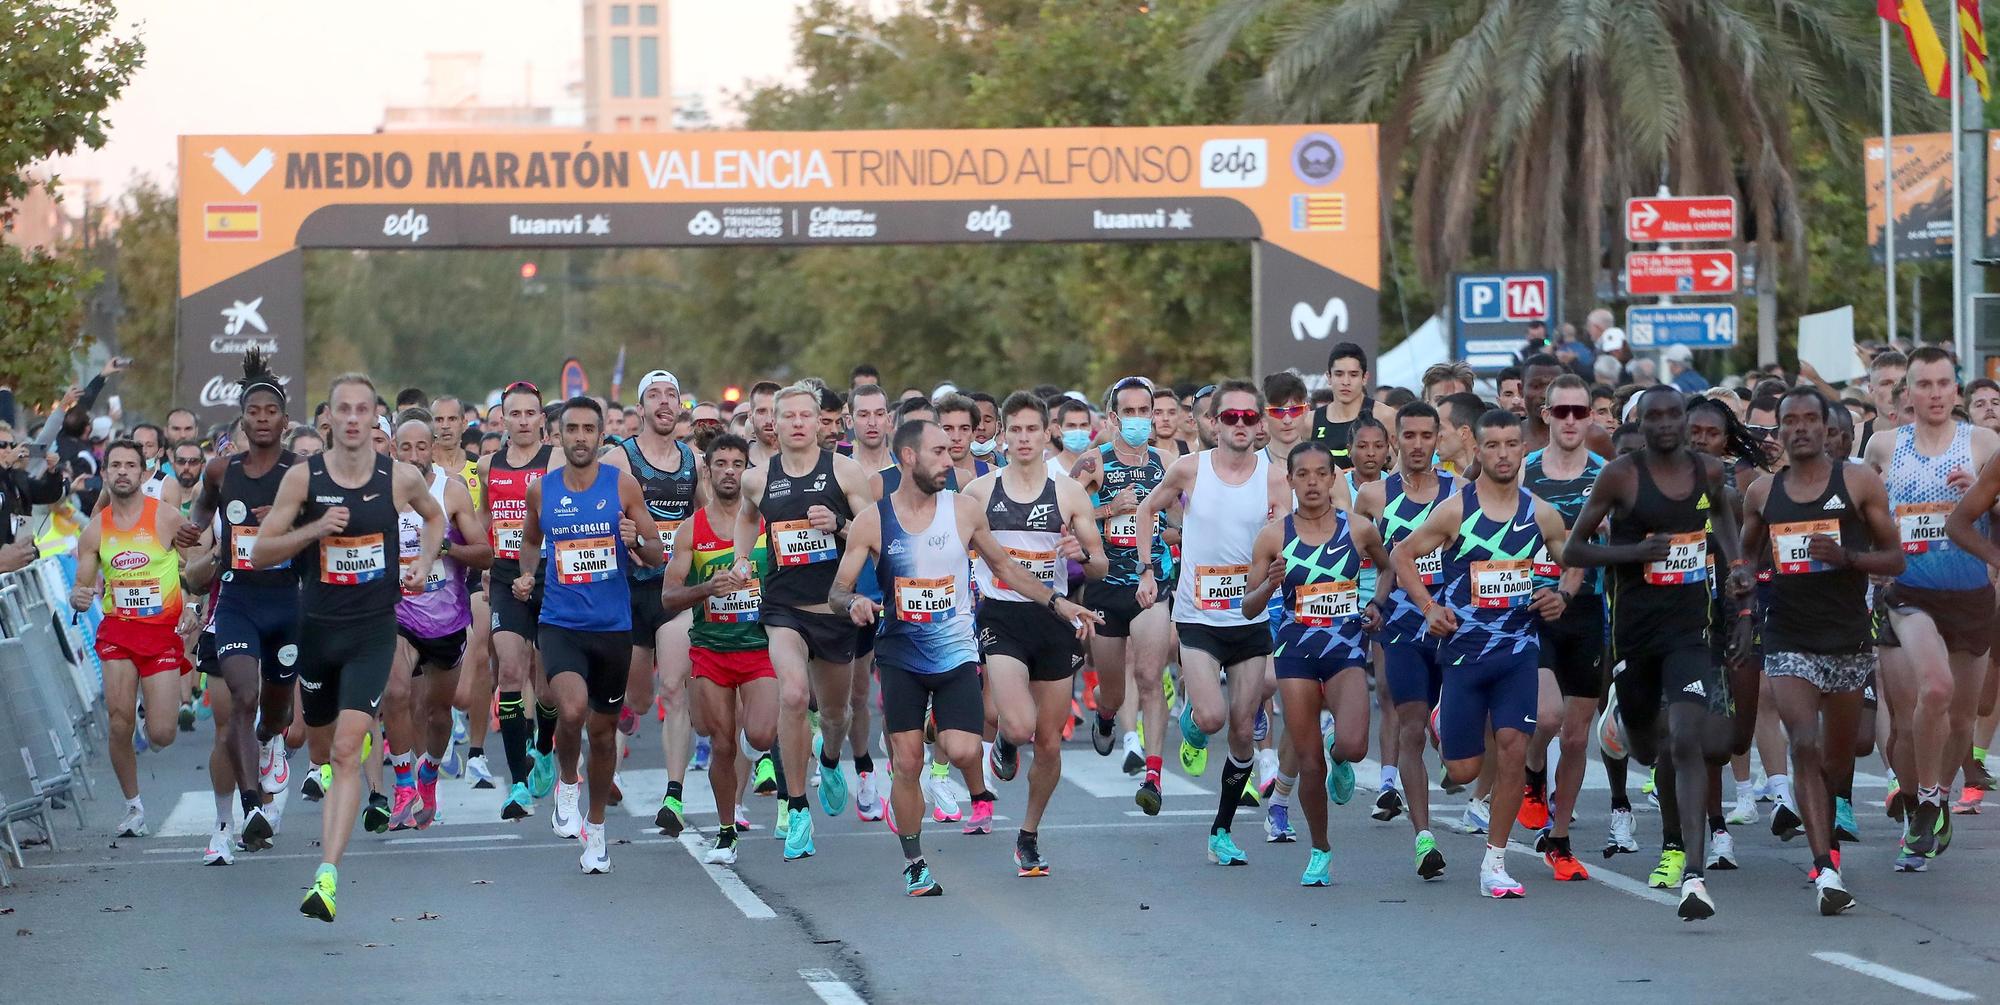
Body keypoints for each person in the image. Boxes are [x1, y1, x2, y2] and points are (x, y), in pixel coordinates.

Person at [828, 419, 1099, 895]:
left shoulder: (965, 511)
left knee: (964, 751)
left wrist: (1060, 603)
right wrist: (854, 604)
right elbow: (838, 590)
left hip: (955, 654)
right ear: (909, 457)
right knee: (908, 763)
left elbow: (1007, 569)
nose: (949, 459)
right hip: (899, 655)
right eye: (937, 452)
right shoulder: (874, 520)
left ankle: (936, 726)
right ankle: (914, 861)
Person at [252, 373, 443, 922]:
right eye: (344, 409)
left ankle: (327, 876)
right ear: (329, 418)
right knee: (319, 750)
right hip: (316, 629)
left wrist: (424, 565)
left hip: (372, 630)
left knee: (345, 748)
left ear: (374, 417)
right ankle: (334, 763)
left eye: (364, 409)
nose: (354, 418)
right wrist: (315, 531)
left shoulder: (398, 477)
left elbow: (434, 518)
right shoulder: (302, 478)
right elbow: (262, 551)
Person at [1564, 384, 1742, 921]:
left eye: (1673, 415)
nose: (1665, 424)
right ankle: (1620, 719)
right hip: (1635, 635)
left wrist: (1737, 570)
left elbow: (1727, 520)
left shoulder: (1708, 472)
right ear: (1641, 422)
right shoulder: (1621, 476)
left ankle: (1693, 874)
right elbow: (1575, 548)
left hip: (1690, 631)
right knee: (1646, 746)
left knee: (1685, 741)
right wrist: (1634, 553)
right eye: (1654, 416)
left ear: (1685, 421)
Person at [1391, 409, 1571, 898]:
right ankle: (1441, 715)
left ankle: (1495, 861)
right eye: (1493, 446)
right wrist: (1428, 606)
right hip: (1465, 654)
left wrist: (1562, 596)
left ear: (1523, 452)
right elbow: (1402, 554)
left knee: (1513, 749)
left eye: (1513, 445)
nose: (1504, 454)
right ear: (1481, 450)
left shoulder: (1540, 512)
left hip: (1518, 651)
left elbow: (1572, 558)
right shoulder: (1455, 509)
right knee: (1464, 769)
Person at [1735, 386, 1901, 915]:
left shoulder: (1857, 481)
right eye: (1791, 421)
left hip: (1847, 637)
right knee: (1803, 741)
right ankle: (1825, 865)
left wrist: (1849, 557)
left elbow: (1895, 558)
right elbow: (1745, 556)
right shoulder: (1762, 493)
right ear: (1779, 430)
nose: (1801, 428)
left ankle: (1826, 828)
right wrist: (1741, 589)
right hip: (1788, 634)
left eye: (1811, 419)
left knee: (1839, 754)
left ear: (1828, 429)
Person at [1135, 379, 1290, 866]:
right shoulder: (1189, 469)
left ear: (1260, 425)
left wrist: (1283, 572)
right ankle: (1192, 719)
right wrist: (1145, 567)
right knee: (1212, 718)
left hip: (1251, 616)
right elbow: (1146, 510)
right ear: (1213, 423)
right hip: (1198, 616)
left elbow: (1287, 536)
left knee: (1243, 730)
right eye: (1231, 417)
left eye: (1249, 418)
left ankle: (1221, 830)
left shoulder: (1275, 476)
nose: (1240, 425)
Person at [515, 396, 663, 873]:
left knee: (603, 736)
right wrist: (524, 574)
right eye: (571, 429)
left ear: (601, 437)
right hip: (560, 624)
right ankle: (565, 782)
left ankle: (595, 829)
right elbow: (531, 540)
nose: (579, 437)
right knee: (572, 709)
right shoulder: (542, 490)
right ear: (557, 435)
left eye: (588, 429)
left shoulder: (622, 485)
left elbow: (657, 553)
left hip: (613, 628)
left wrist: (633, 539)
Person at [1868, 346, 2000, 870]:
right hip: (1909, 593)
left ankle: (1938, 796)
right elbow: (1863, 505)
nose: (1936, 394)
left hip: (1970, 595)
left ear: (1957, 389)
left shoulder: (1985, 443)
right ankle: (1920, 802)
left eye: (1945, 384)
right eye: (1925, 385)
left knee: (1963, 718)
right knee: (1926, 697)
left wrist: (1981, 495)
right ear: (1908, 394)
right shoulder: (1883, 446)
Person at [964, 393, 1106, 874]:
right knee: (1021, 726)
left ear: (1047, 434)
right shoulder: (980, 494)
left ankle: (1028, 834)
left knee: (1047, 742)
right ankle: (1005, 740)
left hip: (1055, 621)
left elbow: (1100, 562)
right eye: (1015, 430)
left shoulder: (1068, 492)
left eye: (1032, 430)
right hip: (1002, 616)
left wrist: (1080, 553)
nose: (1024, 439)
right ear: (1003, 435)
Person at [734, 383, 874, 859]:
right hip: (783, 609)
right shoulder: (758, 478)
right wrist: (740, 560)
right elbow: (747, 517)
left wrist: (836, 525)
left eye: (804, 415)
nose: (796, 423)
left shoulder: (845, 471)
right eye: (786, 415)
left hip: (832, 609)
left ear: (820, 422)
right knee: (793, 694)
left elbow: (873, 537)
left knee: (835, 716)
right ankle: (797, 808)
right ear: (770, 422)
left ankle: (831, 759)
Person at [1245, 441, 1393, 885]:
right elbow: (1249, 608)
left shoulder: (1359, 529)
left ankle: (1340, 757)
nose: (1312, 482)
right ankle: (1321, 850)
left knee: (1353, 746)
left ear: (1333, 479)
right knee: (1309, 763)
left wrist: (1377, 606)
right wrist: (1269, 586)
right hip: (1295, 654)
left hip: (1345, 650)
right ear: (1289, 481)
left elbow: (1388, 568)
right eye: (1302, 474)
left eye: (1320, 474)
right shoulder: (1274, 536)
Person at [174, 349, 298, 853]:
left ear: (285, 422)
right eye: (254, 412)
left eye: (271, 412)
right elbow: (204, 506)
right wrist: (195, 526)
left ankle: (271, 744)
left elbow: (330, 527)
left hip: (288, 603)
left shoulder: (302, 472)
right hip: (239, 599)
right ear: (243, 420)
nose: (262, 419)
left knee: (277, 716)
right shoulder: (222, 470)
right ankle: (251, 807)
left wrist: (288, 519)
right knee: (240, 698)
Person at [661, 434, 776, 864]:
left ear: (748, 471)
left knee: (761, 733)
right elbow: (669, 597)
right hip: (711, 648)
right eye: (721, 463)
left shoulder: (765, 522)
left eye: (738, 463)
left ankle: (756, 755)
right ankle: (726, 831)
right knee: (720, 741)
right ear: (707, 471)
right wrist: (708, 587)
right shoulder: (693, 529)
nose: (730, 471)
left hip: (760, 646)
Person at [1352, 402, 1457, 875]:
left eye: (1426, 436)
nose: (1417, 445)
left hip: (1455, 627)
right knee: (1411, 728)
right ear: (1397, 441)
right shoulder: (1373, 496)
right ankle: (1424, 839)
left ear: (1438, 440)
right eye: (1409, 436)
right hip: (1401, 627)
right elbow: (1370, 559)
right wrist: (1372, 602)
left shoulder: (1461, 494)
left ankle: (1450, 732)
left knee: (1452, 741)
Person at [70, 439, 193, 841]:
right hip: (118, 632)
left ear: (143, 474)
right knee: (119, 720)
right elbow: (81, 586)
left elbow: (196, 563)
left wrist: (192, 604)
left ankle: (153, 709)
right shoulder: (95, 529)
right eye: (115, 465)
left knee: (162, 735)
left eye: (130, 465)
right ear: (105, 474)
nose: (122, 471)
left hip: (160, 635)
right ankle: (133, 807)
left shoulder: (168, 518)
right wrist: (80, 594)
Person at [602, 370, 706, 837]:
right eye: (655, 396)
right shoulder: (619, 460)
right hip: (629, 592)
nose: (665, 403)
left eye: (672, 395)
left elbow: (707, 519)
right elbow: (591, 519)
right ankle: (618, 733)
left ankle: (674, 794)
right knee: (638, 699)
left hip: (673, 591)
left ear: (679, 406)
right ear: (640, 407)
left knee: (673, 689)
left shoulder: (693, 462)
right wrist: (618, 536)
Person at [1072, 377, 1175, 811]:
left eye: (1142, 412)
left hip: (1150, 582)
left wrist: (1158, 529)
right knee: (1112, 691)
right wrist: (1111, 510)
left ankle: (1153, 774)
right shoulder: (1093, 462)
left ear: (1153, 416)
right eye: (1127, 412)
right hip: (1104, 585)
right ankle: (1108, 716)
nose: (1136, 420)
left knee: (1151, 677)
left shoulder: (1168, 463)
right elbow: (1068, 518)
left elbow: (1176, 525)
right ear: (1113, 417)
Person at [385, 413, 489, 829]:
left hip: (445, 619)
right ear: (393, 450)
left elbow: (485, 554)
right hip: (397, 613)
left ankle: (429, 771)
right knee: (395, 693)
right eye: (404, 447)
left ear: (433, 449)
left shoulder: (452, 491)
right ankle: (404, 781)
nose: (413, 455)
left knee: (438, 712)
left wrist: (444, 547)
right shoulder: (380, 493)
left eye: (420, 447)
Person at [1518, 374, 1604, 881]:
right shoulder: (1523, 471)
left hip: (1587, 610)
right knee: (1545, 716)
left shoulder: (1605, 474)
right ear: (1546, 416)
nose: (1571, 420)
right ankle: (1532, 779)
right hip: (1533, 609)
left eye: (1580, 411)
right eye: (1562, 411)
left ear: (1591, 416)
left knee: (1575, 740)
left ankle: (1561, 838)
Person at [480, 381, 556, 819]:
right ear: (503, 419)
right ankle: (519, 783)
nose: (524, 421)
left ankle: (544, 745)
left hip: (554, 576)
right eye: (515, 414)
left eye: (531, 414)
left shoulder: (557, 460)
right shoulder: (489, 464)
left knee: (547, 686)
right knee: (510, 671)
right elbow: (484, 518)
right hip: (508, 575)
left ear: (542, 419)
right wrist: (480, 560)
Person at [1310, 342, 1398, 469]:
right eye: (1339, 374)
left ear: (1365, 378)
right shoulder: (1310, 421)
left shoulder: (1386, 416)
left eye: (1353, 375)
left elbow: (1406, 467)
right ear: (1329, 377)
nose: (1346, 382)